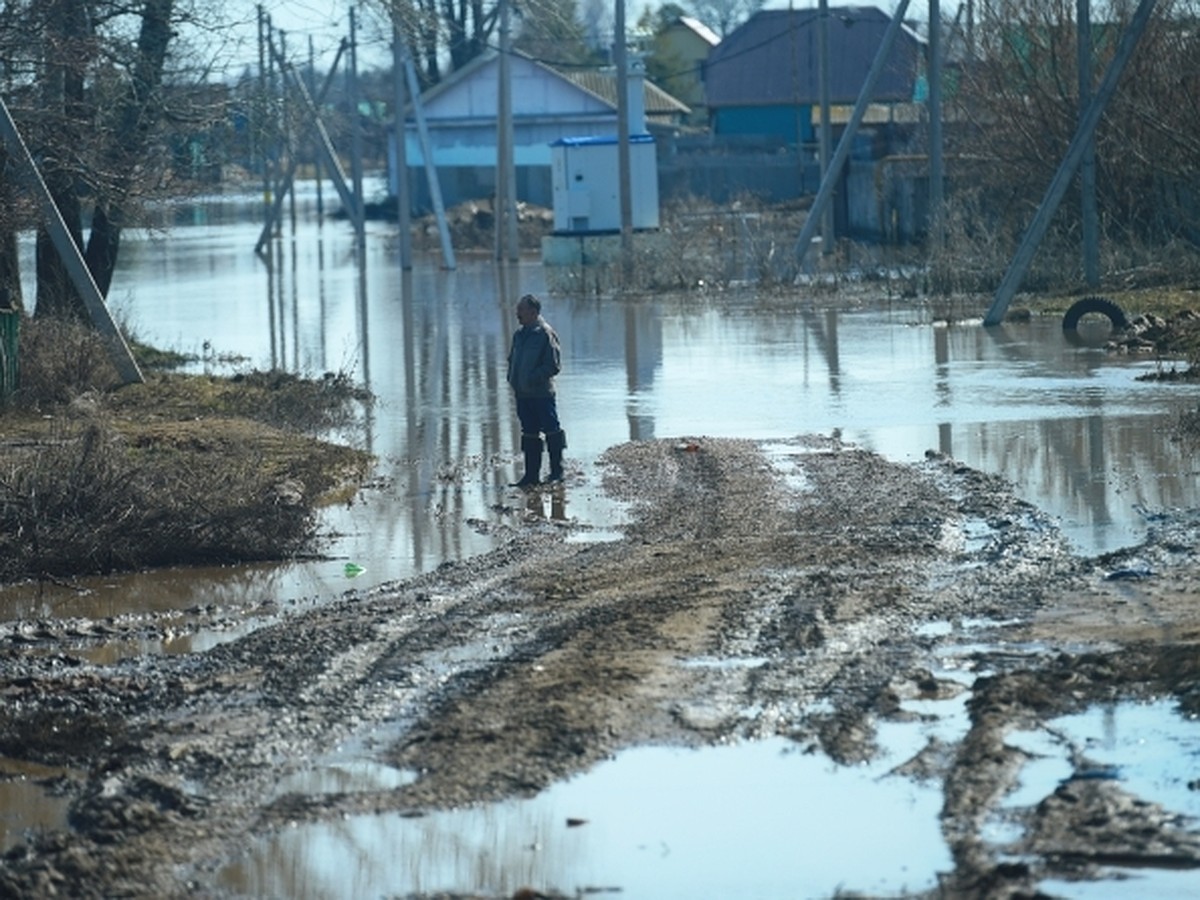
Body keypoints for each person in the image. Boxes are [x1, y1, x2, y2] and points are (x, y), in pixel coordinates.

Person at [507, 293, 566, 487]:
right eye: (518, 309)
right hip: (523, 395)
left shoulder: (545, 333)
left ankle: (557, 472)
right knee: (529, 433)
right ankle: (531, 475)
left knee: (551, 430)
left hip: (542, 394)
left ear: (533, 312)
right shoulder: (519, 335)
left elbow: (553, 365)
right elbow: (512, 361)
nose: (517, 313)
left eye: (521, 310)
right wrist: (513, 379)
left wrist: (532, 379)